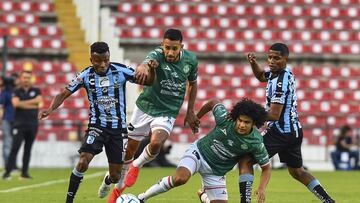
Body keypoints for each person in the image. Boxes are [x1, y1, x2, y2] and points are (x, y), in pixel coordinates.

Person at [38, 42, 156, 203]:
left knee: (115, 176)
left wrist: (153, 69)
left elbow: (148, 82)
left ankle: (107, 181)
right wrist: (50, 109)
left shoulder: (120, 70)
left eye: (106, 60)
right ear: (91, 59)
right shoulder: (85, 75)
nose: (102, 64)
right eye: (98, 61)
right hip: (97, 126)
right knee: (83, 161)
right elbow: (64, 92)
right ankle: (68, 200)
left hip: (118, 130)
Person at [99, 28, 200, 203]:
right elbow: (145, 63)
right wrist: (144, 66)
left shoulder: (191, 60)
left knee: (156, 143)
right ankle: (112, 183)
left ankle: (136, 166)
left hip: (168, 110)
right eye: (167, 47)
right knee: (128, 151)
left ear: (181, 47)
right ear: (162, 45)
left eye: (174, 48)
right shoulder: (157, 55)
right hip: (146, 107)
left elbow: (192, 83)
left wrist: (190, 111)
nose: (170, 52)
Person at [235, 43, 336, 203]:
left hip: (281, 132)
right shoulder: (279, 73)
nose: (271, 61)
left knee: (246, 160)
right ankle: (328, 201)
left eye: (276, 58)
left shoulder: (281, 81)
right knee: (297, 172)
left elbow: (274, 115)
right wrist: (253, 63)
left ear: (285, 59)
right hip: (294, 131)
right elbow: (261, 76)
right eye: (269, 57)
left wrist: (250, 115)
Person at [137, 98, 271, 203]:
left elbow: (266, 168)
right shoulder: (226, 120)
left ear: (254, 124)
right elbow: (214, 102)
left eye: (246, 122)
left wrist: (261, 188)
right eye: (240, 120)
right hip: (199, 154)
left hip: (216, 172)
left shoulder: (256, 142)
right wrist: (197, 117)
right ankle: (141, 197)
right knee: (180, 179)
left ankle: (203, 196)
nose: (241, 125)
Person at [2, 71, 42, 180]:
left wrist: (22, 103)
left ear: (31, 79)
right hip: (19, 124)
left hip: (33, 124)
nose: (26, 79)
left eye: (28, 77)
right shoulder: (16, 91)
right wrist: (32, 103)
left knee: (28, 149)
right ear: (21, 79)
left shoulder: (36, 90)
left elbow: (39, 101)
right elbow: (15, 104)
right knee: (14, 148)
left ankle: (24, 173)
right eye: (24, 77)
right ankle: (7, 172)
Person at [0, 75, 17, 168]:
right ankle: (10, 164)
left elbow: (1, 102)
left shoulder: (5, 92)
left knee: (9, 142)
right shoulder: (12, 92)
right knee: (10, 143)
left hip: (9, 119)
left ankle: (10, 164)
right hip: (10, 119)